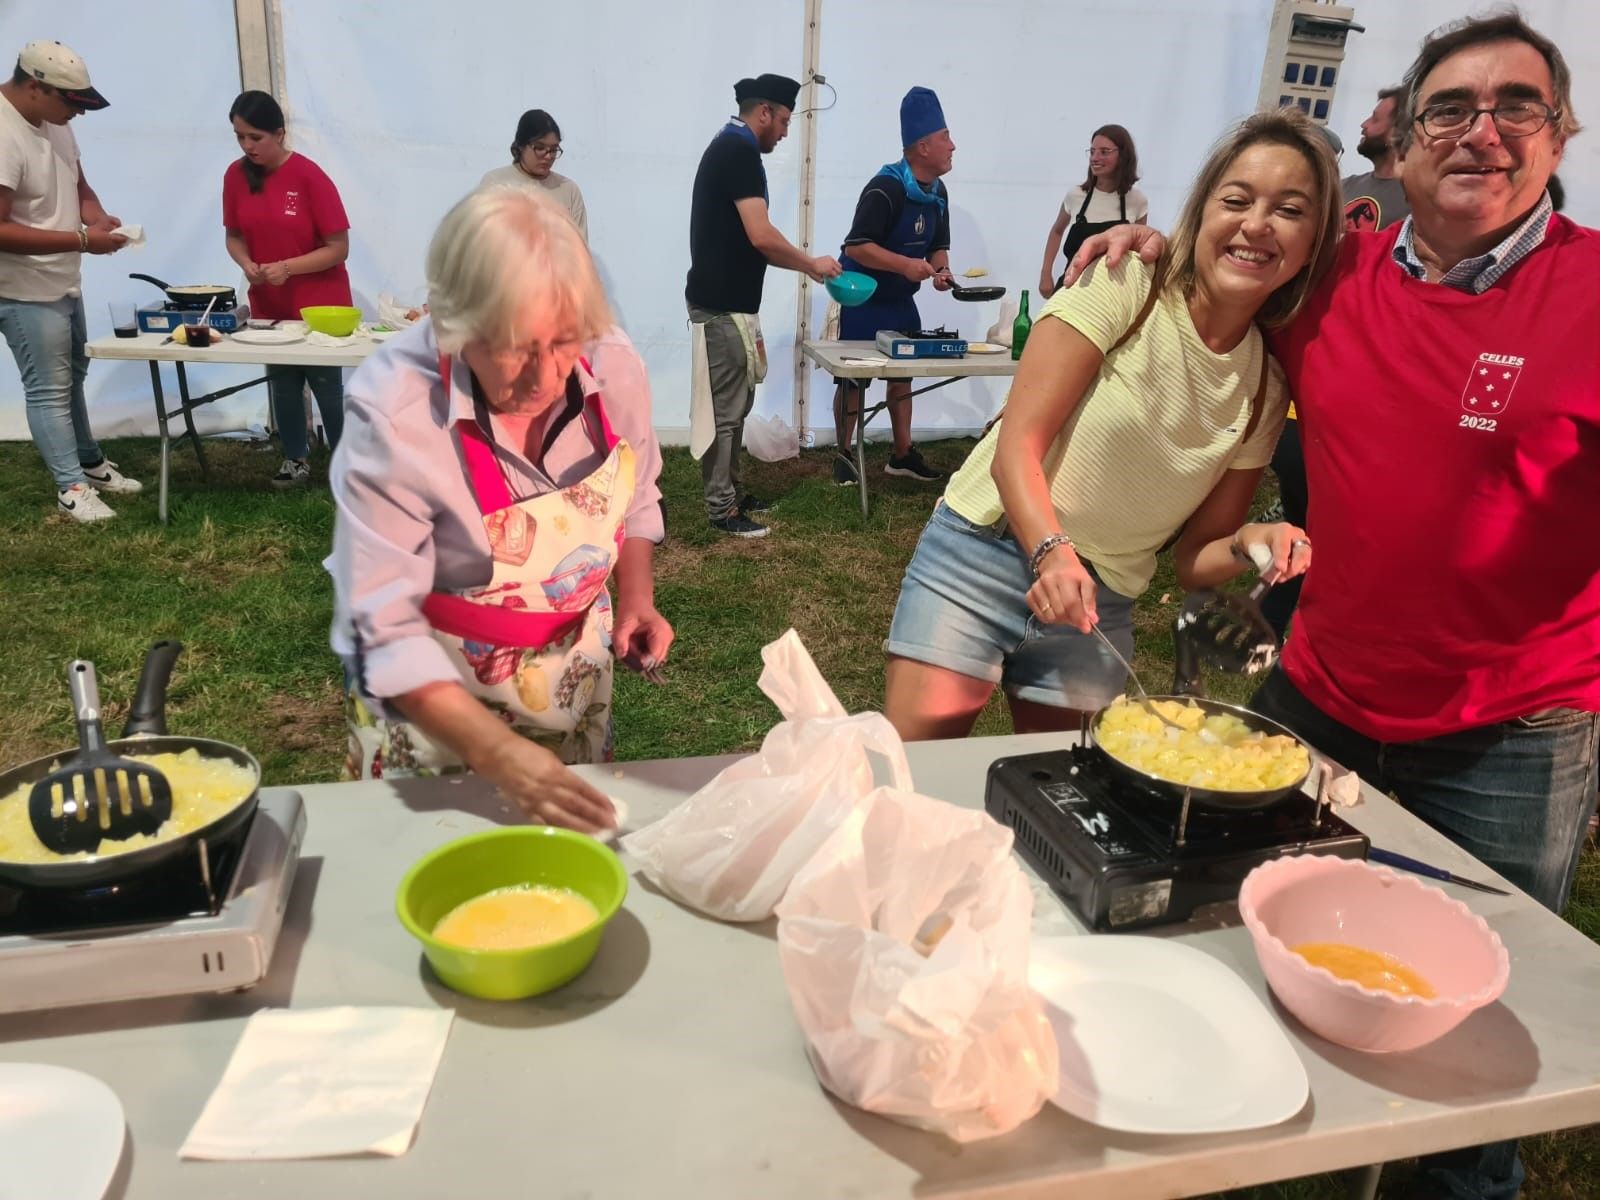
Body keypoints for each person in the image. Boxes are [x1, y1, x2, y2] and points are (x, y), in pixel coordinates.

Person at [1064, 15, 1598, 1197]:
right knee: (1275, 969)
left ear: (1558, 136)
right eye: (1448, 110)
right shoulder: (1332, 276)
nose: (1481, 131)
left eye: (1517, 106)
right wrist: (1149, 246)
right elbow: (1224, 276)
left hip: (1511, 731)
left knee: (1468, 1030)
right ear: (1398, 150)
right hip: (1317, 700)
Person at [882, 109, 1340, 741]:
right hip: (981, 554)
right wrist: (1052, 551)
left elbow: (1193, 560)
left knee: (1058, 800)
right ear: (1202, 210)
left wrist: (1249, 541)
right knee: (915, 779)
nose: (1257, 225)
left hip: (1098, 607)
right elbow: (1015, 446)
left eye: (1289, 210)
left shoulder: (1264, 389)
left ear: (1315, 241)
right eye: (1237, 200)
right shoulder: (1127, 281)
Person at [328, 186, 670, 834]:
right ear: (453, 328)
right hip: (440, 708)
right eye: (515, 347)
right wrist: (497, 753)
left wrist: (636, 598)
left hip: (575, 678)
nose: (544, 377)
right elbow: (383, 629)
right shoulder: (394, 409)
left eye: (565, 342)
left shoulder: (615, 366)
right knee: (440, 873)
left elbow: (638, 491)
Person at [686, 73, 840, 538]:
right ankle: (722, 510)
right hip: (721, 305)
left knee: (739, 401)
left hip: (729, 302)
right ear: (765, 112)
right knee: (726, 411)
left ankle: (731, 491)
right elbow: (761, 235)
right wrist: (811, 264)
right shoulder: (739, 151)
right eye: (786, 121)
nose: (787, 132)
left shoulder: (732, 146)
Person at [0, 40, 141, 523]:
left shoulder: (54, 122)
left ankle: (88, 462)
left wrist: (99, 219)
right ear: (35, 87)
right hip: (20, 288)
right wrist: (82, 241)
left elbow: (78, 185)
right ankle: (71, 486)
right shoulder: (2, 133)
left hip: (61, 278)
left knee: (72, 378)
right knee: (47, 388)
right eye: (71, 103)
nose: (77, 114)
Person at [223, 90, 352, 488]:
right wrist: (246, 263)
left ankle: (344, 466)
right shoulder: (235, 176)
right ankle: (295, 456)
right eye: (239, 136)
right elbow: (234, 235)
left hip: (319, 305)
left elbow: (338, 248)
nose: (247, 146)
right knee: (282, 383)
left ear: (279, 133)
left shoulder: (310, 177)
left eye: (255, 137)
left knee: (326, 386)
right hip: (270, 304)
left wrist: (287, 268)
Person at [830, 86, 958, 487]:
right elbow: (857, 246)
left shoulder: (938, 193)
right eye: (945, 138)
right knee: (854, 380)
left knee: (902, 376)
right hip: (865, 296)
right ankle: (844, 454)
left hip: (901, 298)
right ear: (922, 146)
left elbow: (938, 244)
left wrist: (942, 272)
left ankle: (901, 455)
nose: (953, 146)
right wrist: (905, 265)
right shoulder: (885, 188)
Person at [1038, 124, 1148, 299]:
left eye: (1104, 152)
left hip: (1115, 298)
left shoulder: (1137, 201)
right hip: (1072, 292)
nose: (1095, 158)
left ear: (1123, 155)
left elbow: (1139, 252)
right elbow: (1057, 231)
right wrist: (1045, 274)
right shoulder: (1076, 196)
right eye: (1092, 151)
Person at [479, 109, 587, 241]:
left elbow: (579, 249)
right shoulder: (496, 182)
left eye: (553, 149)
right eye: (540, 148)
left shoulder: (568, 190)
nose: (548, 156)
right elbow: (483, 244)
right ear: (520, 146)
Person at [1340, 86, 1410, 232]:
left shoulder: (1415, 199)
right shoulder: (1344, 186)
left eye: (1375, 119)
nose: (1364, 125)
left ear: (1397, 132)